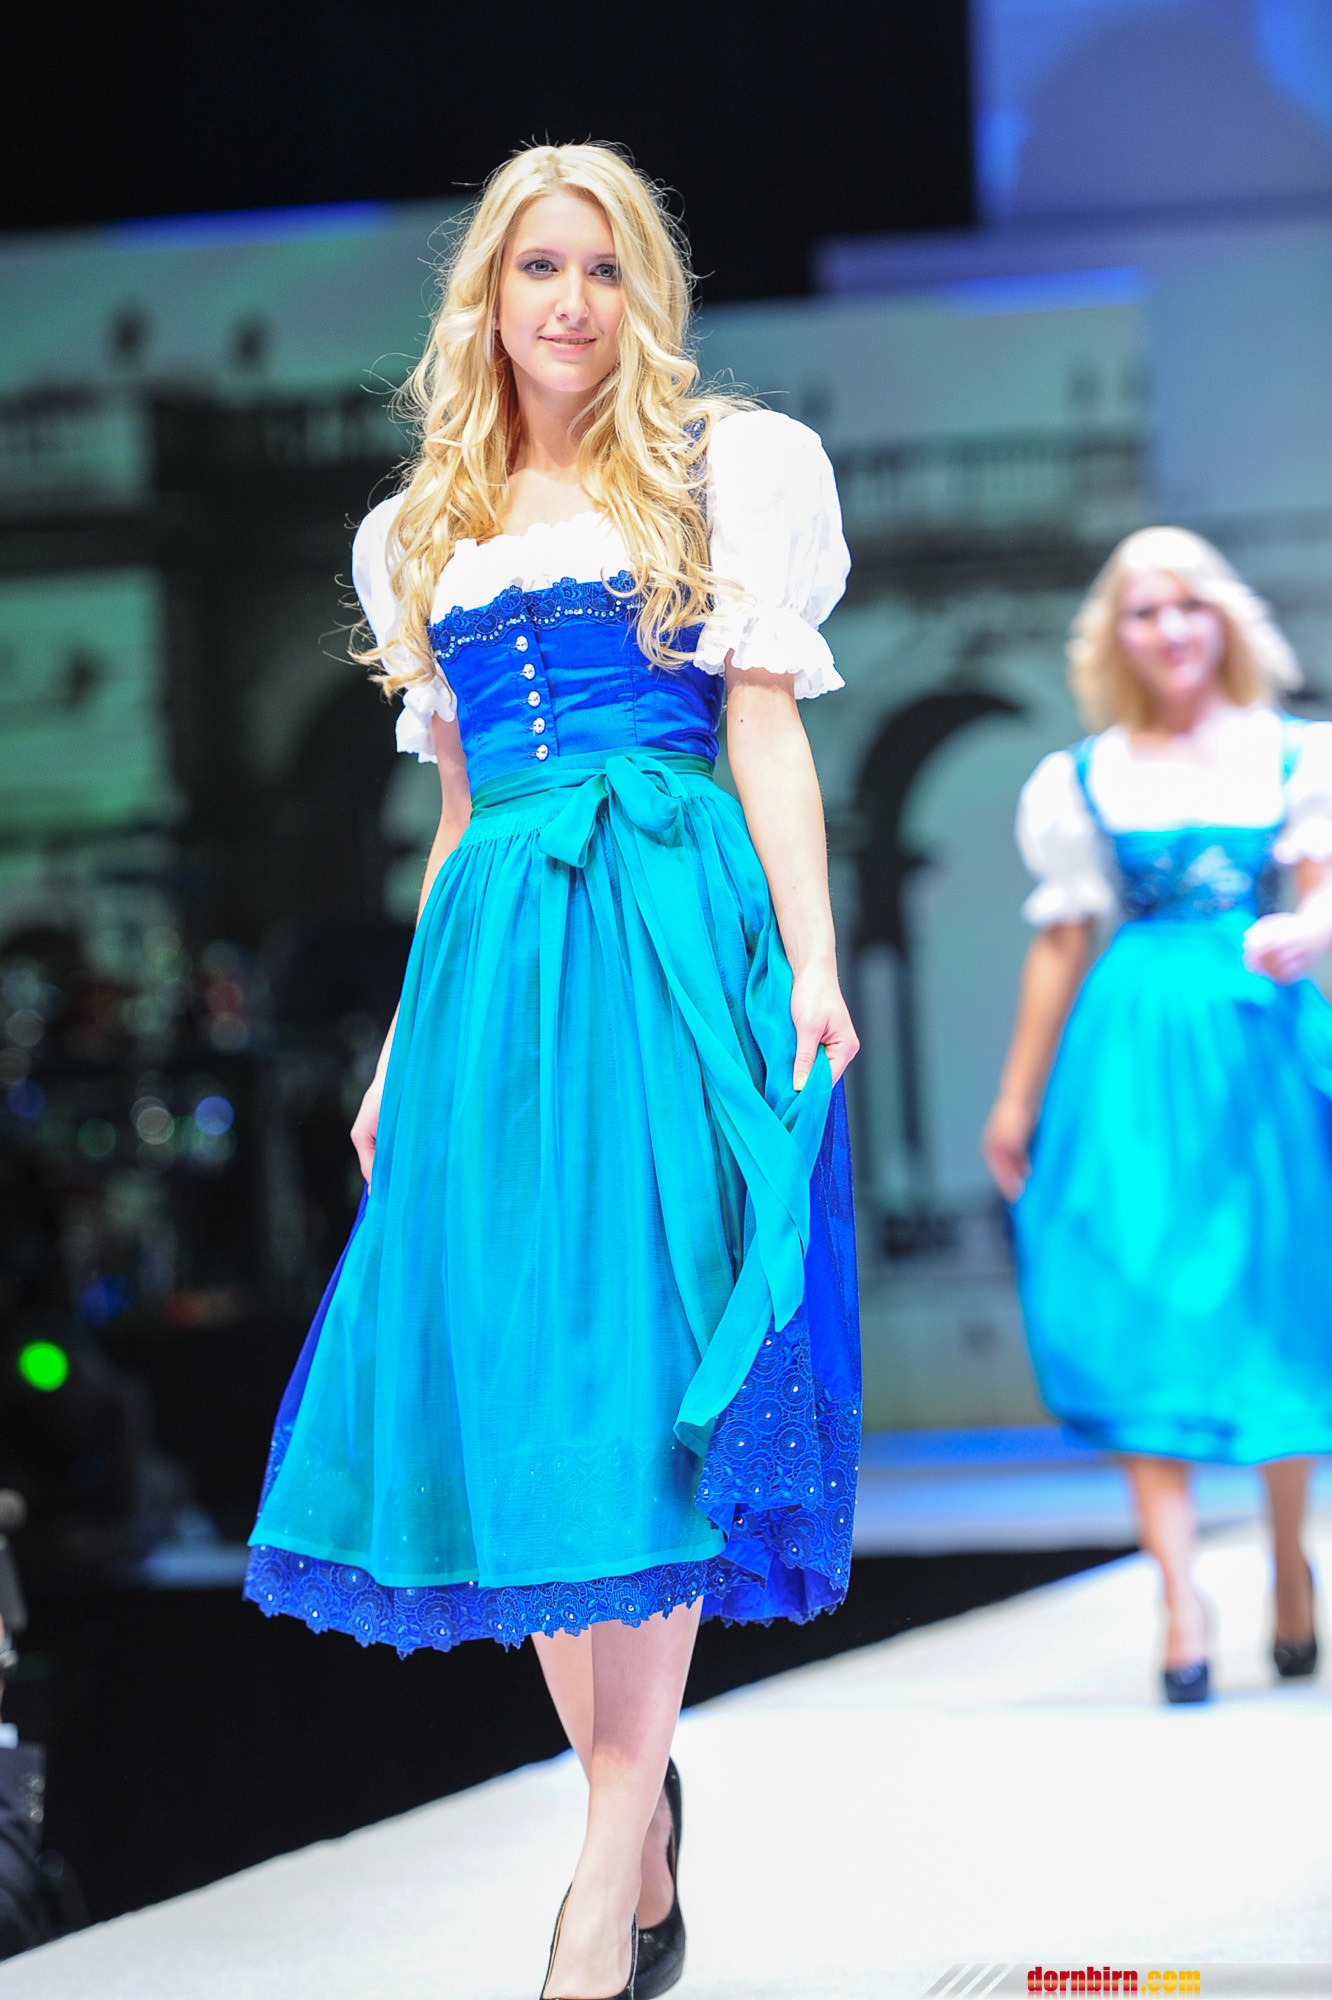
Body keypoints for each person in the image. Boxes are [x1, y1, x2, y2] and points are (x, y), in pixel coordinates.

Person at [244, 143, 861, 1999]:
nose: (571, 301)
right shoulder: (419, 532)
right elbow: (451, 817)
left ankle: (603, 1867)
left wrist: (814, 960)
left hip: (666, 928)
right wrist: (403, 1047)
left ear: (642, 292)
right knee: (525, 1376)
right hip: (496, 967)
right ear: (488, 296)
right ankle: (635, 1806)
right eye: (539, 267)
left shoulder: (727, 471)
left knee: (642, 1363)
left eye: (604, 266)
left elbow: (763, 732)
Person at [983, 526, 1332, 1705]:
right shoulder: (1084, 776)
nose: (1171, 627)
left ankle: (1287, 1553)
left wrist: (1309, 928)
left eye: (1188, 603)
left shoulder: (1292, 752)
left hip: (1257, 1039)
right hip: (1127, 1049)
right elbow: (1060, 938)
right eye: (1144, 610)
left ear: (1222, 616)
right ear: (1115, 636)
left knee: (1271, 1294)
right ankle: (1179, 1591)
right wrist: (1017, 1096)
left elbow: (1323, 887)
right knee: (1136, 1291)